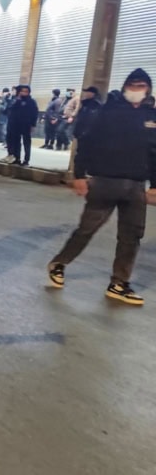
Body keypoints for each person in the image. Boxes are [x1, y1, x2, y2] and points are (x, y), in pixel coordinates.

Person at [48, 69, 156, 305]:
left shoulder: (152, 116)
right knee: (87, 229)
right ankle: (59, 263)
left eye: (141, 86)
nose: (137, 90)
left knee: (131, 236)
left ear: (148, 89)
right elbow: (86, 142)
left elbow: (154, 153)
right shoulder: (108, 112)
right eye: (133, 85)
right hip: (105, 182)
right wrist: (79, 175)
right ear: (126, 86)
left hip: (136, 185)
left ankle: (119, 283)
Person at [3, 85, 38, 166]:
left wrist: (33, 125)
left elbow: (34, 113)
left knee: (26, 142)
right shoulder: (15, 100)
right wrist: (15, 100)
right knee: (16, 142)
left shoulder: (31, 101)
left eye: (26, 91)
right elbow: (8, 110)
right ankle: (16, 158)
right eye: (22, 91)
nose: (24, 93)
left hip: (26, 125)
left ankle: (26, 160)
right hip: (15, 125)